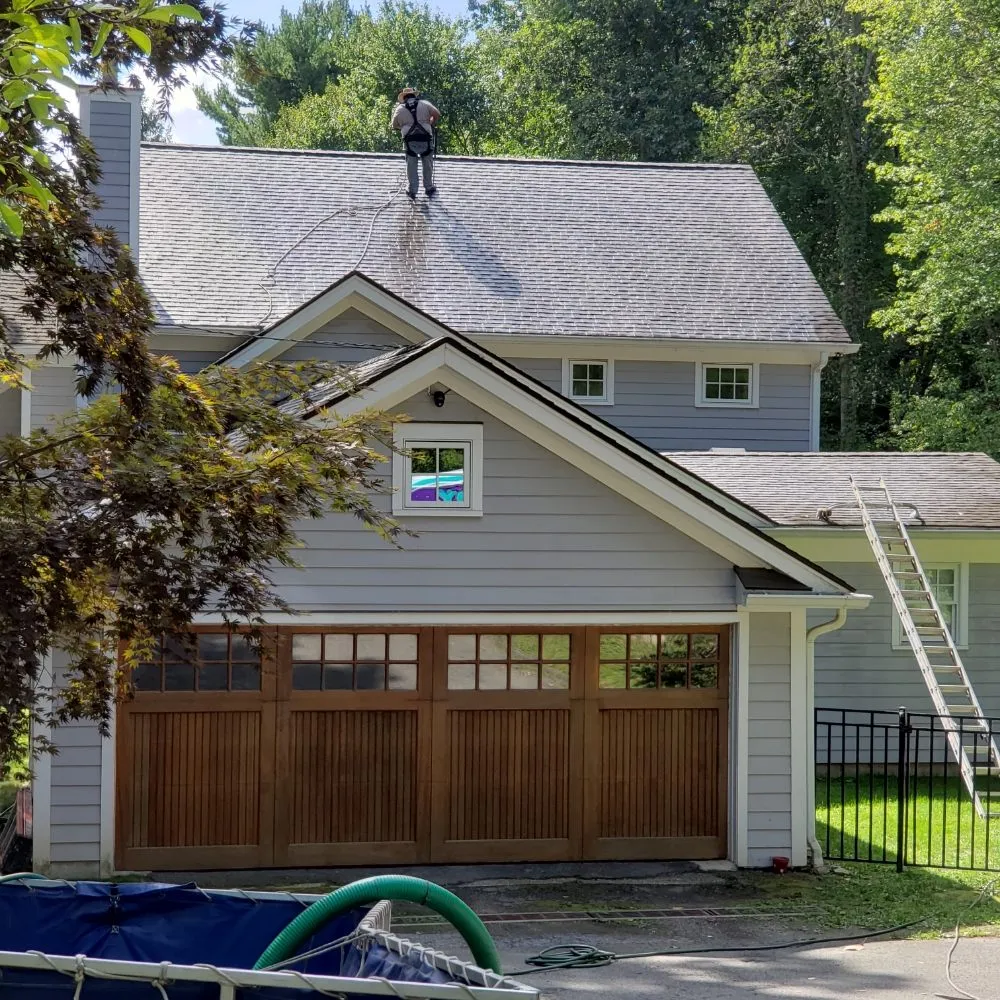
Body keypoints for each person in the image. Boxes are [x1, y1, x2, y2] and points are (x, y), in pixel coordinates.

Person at [391, 87, 440, 199]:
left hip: (410, 141)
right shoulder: (425, 104)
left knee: (411, 165)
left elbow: (394, 125)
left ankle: (412, 190)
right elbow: (437, 114)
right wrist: (430, 122)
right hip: (426, 139)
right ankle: (428, 187)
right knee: (427, 163)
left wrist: (405, 125)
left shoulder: (399, 109)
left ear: (404, 97)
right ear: (415, 96)